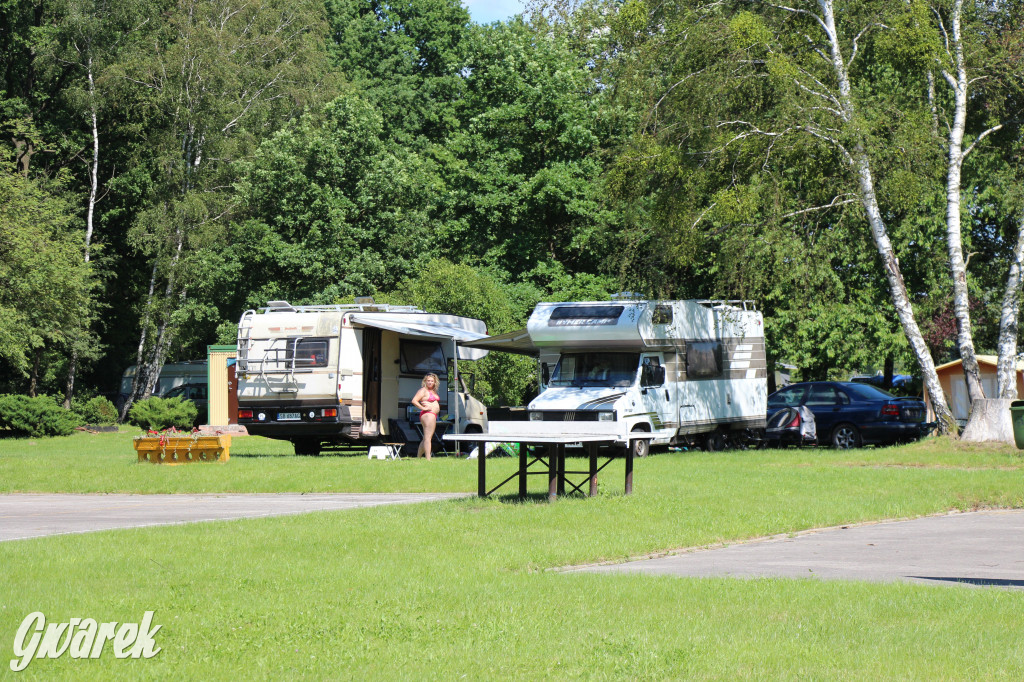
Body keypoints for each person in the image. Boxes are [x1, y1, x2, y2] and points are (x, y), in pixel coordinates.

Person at [411, 373, 441, 459]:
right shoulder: (423, 390)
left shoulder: (433, 391)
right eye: (428, 381)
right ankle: (428, 459)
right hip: (428, 415)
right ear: (425, 381)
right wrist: (423, 408)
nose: (430, 382)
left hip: (432, 415)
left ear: (435, 382)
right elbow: (414, 401)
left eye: (432, 381)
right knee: (428, 438)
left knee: (426, 438)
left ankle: (418, 457)